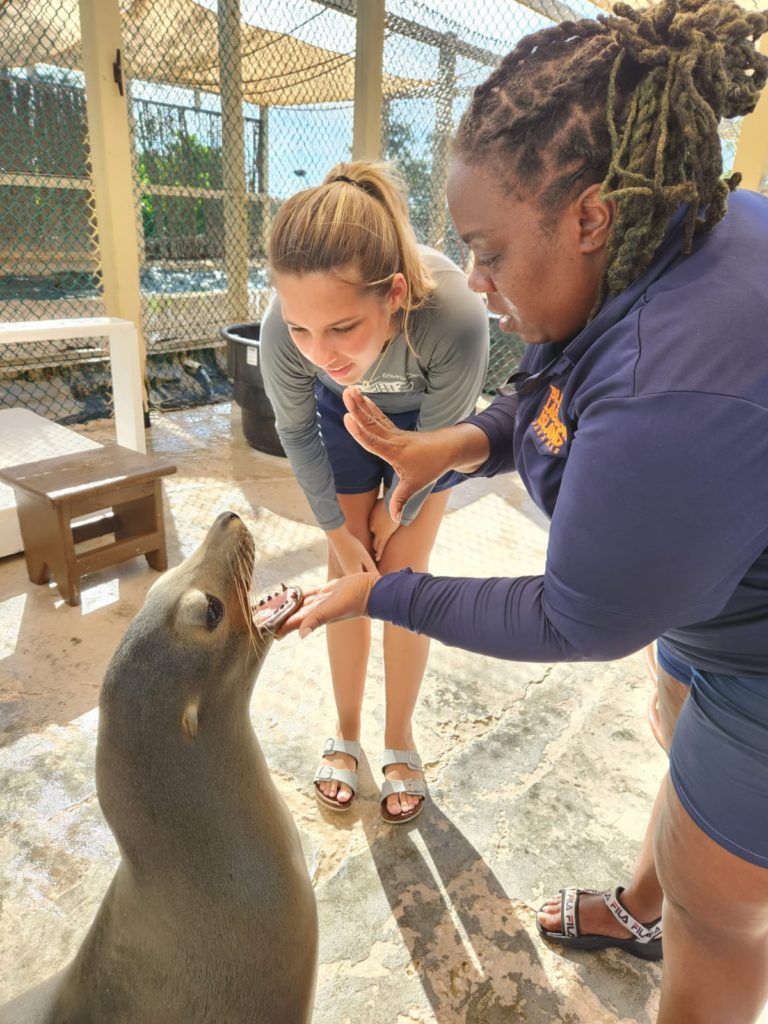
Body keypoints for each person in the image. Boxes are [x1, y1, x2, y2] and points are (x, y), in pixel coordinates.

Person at [278, 1, 768, 1020]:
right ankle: (640, 914)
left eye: (488, 253)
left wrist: (386, 593)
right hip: (718, 591)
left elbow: (572, 616)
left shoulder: (666, 395)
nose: (482, 284)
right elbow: (547, 395)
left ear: (588, 214)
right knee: (674, 714)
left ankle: (678, 919)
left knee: (718, 899)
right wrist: (452, 444)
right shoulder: (659, 238)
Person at [260, 161, 489, 823]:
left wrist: (402, 510)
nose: (317, 350)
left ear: (392, 294)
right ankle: (348, 732)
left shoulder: (454, 316)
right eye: (301, 329)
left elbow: (442, 441)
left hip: (425, 424)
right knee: (349, 568)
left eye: (341, 328)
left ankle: (399, 737)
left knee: (402, 574)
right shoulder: (287, 330)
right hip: (340, 417)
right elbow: (296, 428)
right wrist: (338, 529)